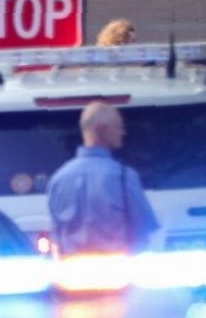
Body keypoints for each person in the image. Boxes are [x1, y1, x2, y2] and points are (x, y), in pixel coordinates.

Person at [45, 101, 162, 255]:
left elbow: (56, 233)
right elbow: (144, 228)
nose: (123, 132)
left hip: (72, 275)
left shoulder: (58, 179)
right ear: (103, 130)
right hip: (117, 273)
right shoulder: (124, 177)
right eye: (119, 126)